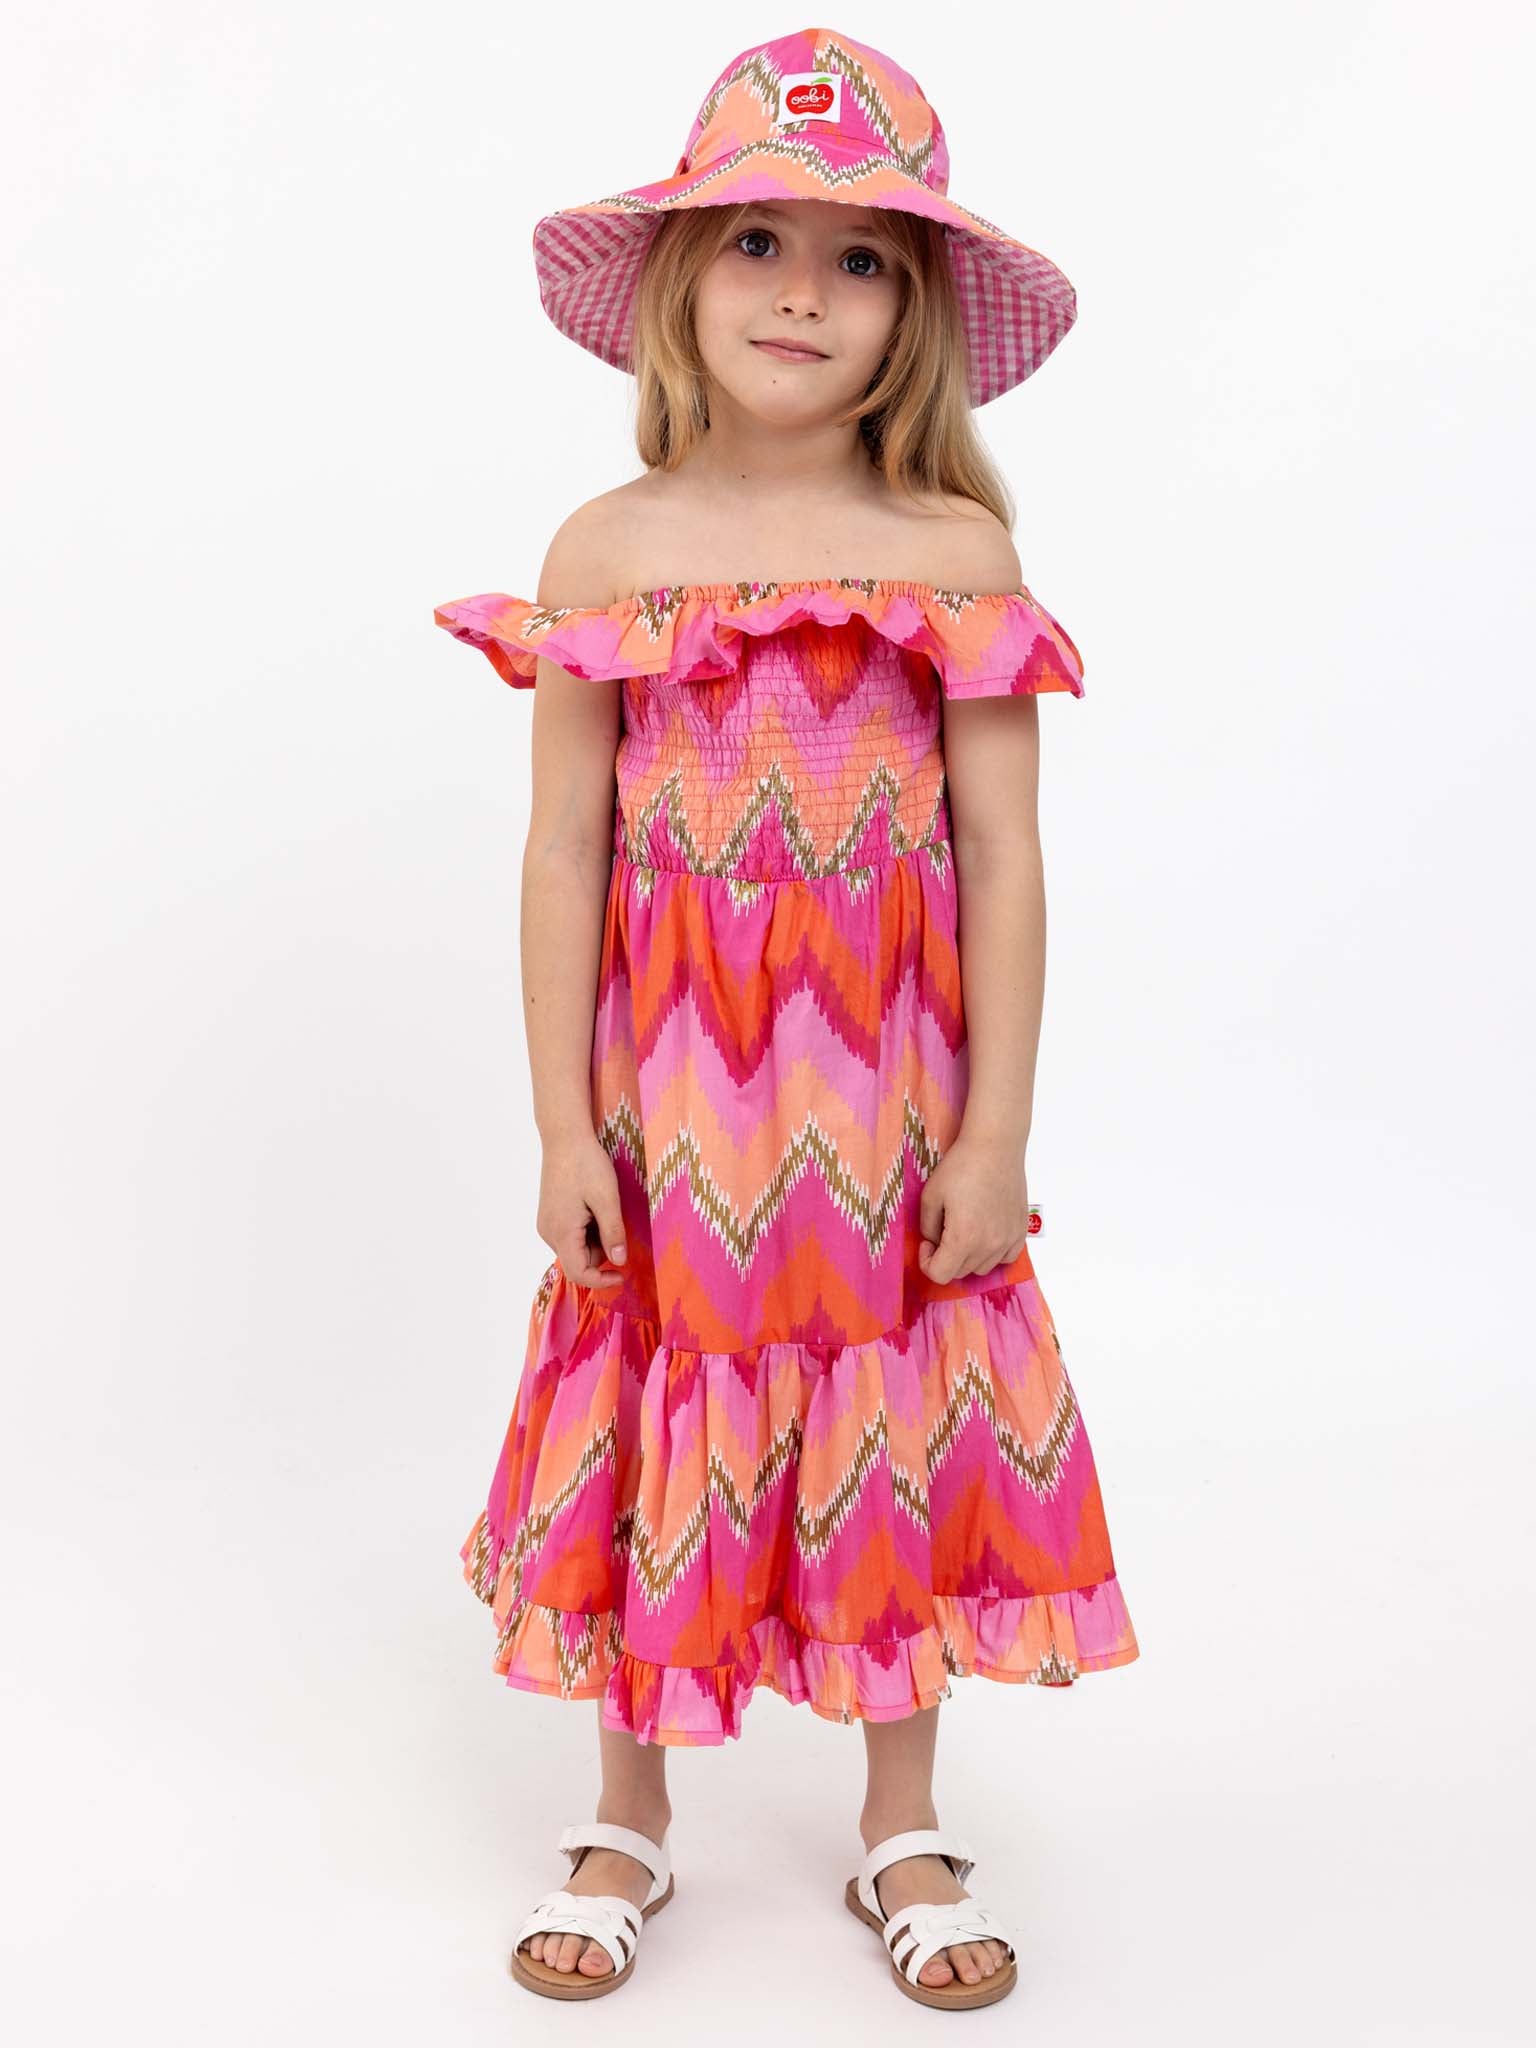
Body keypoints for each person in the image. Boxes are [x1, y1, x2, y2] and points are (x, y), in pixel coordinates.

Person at [433, 26, 1139, 2013]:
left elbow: (1001, 856)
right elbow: (564, 845)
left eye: (856, 258)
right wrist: (569, 1125)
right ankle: (628, 1806)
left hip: (889, 1116)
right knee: (663, 1414)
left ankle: (900, 1816)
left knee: (887, 1421)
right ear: (681, 285)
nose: (801, 294)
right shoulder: (611, 553)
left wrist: (995, 1132)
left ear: (914, 310)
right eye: (755, 242)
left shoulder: (953, 559)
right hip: (673, 1119)